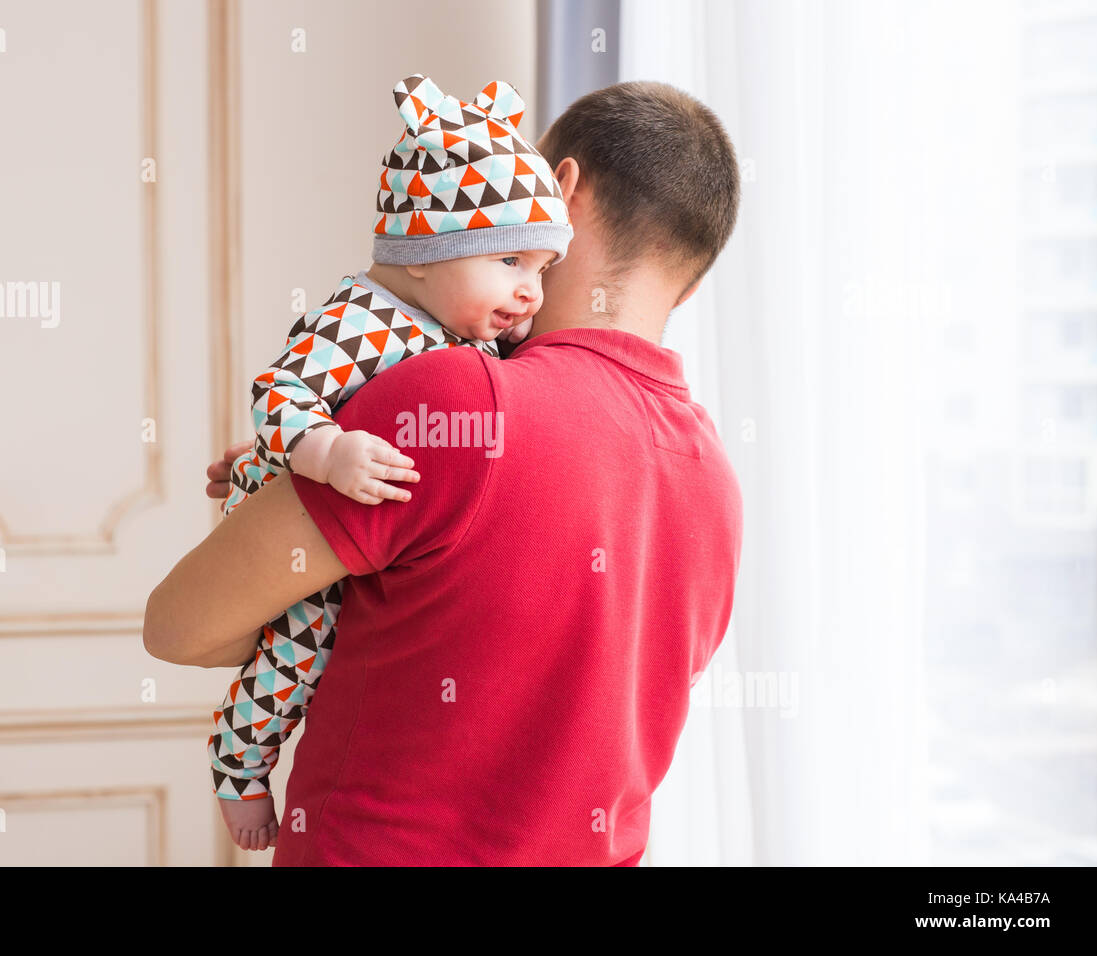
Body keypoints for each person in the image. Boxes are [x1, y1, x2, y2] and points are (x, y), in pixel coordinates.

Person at [145, 78, 744, 866]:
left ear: (556, 187)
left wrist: (280, 525)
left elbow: (179, 626)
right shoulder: (717, 484)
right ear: (693, 281)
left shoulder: (458, 400)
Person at [205, 73, 573, 851]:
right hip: (306, 519)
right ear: (421, 253)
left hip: (371, 532)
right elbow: (278, 394)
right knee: (301, 650)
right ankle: (238, 768)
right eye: (510, 262)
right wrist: (326, 451)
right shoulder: (363, 317)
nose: (530, 292)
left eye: (542, 271)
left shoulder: (463, 332)